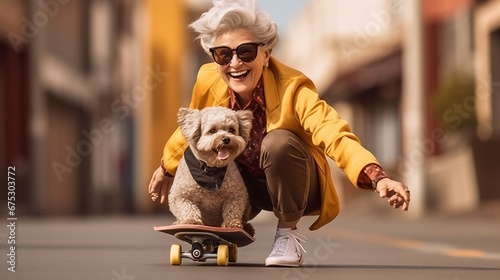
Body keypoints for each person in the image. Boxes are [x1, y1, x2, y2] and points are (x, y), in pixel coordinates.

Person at [148, 0, 410, 267]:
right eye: (224, 55)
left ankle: (287, 234)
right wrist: (166, 167)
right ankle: (215, 226)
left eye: (246, 51)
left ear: (266, 54)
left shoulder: (293, 88)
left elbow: (332, 131)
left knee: (278, 142)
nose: (235, 63)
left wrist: (377, 177)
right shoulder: (208, 80)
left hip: (295, 186)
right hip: (244, 188)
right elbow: (192, 128)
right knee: (208, 151)